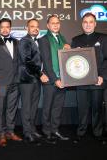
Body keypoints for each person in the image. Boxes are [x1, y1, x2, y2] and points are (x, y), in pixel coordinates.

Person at [71, 13, 107, 143]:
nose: (87, 24)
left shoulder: (103, 38)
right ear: (82, 24)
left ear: (95, 23)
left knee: (97, 109)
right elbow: (71, 61)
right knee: (82, 108)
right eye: (85, 22)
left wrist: (102, 76)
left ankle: (97, 133)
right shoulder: (76, 40)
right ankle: (81, 132)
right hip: (80, 81)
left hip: (97, 81)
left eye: (90, 22)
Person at [0, 18, 22, 147]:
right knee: (1, 109)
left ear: (10, 28)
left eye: (7, 27)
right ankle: (1, 133)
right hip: (0, 82)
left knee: (12, 109)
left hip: (15, 82)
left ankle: (10, 131)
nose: (5, 29)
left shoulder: (17, 42)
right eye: (2, 27)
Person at [38, 15, 70, 143]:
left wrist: (70, 50)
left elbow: (66, 59)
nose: (55, 25)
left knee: (58, 107)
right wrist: (55, 79)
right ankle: (46, 131)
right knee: (48, 107)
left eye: (57, 23)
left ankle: (55, 129)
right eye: (53, 23)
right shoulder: (43, 40)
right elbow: (46, 62)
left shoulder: (63, 39)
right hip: (51, 80)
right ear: (47, 25)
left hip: (64, 79)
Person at [18, 19, 48, 144]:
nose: (35, 28)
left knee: (34, 106)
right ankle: (26, 132)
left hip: (36, 80)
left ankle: (32, 129)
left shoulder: (38, 41)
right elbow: (27, 60)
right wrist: (40, 74)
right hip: (27, 79)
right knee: (27, 107)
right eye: (32, 26)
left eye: (37, 26)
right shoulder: (24, 41)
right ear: (27, 28)